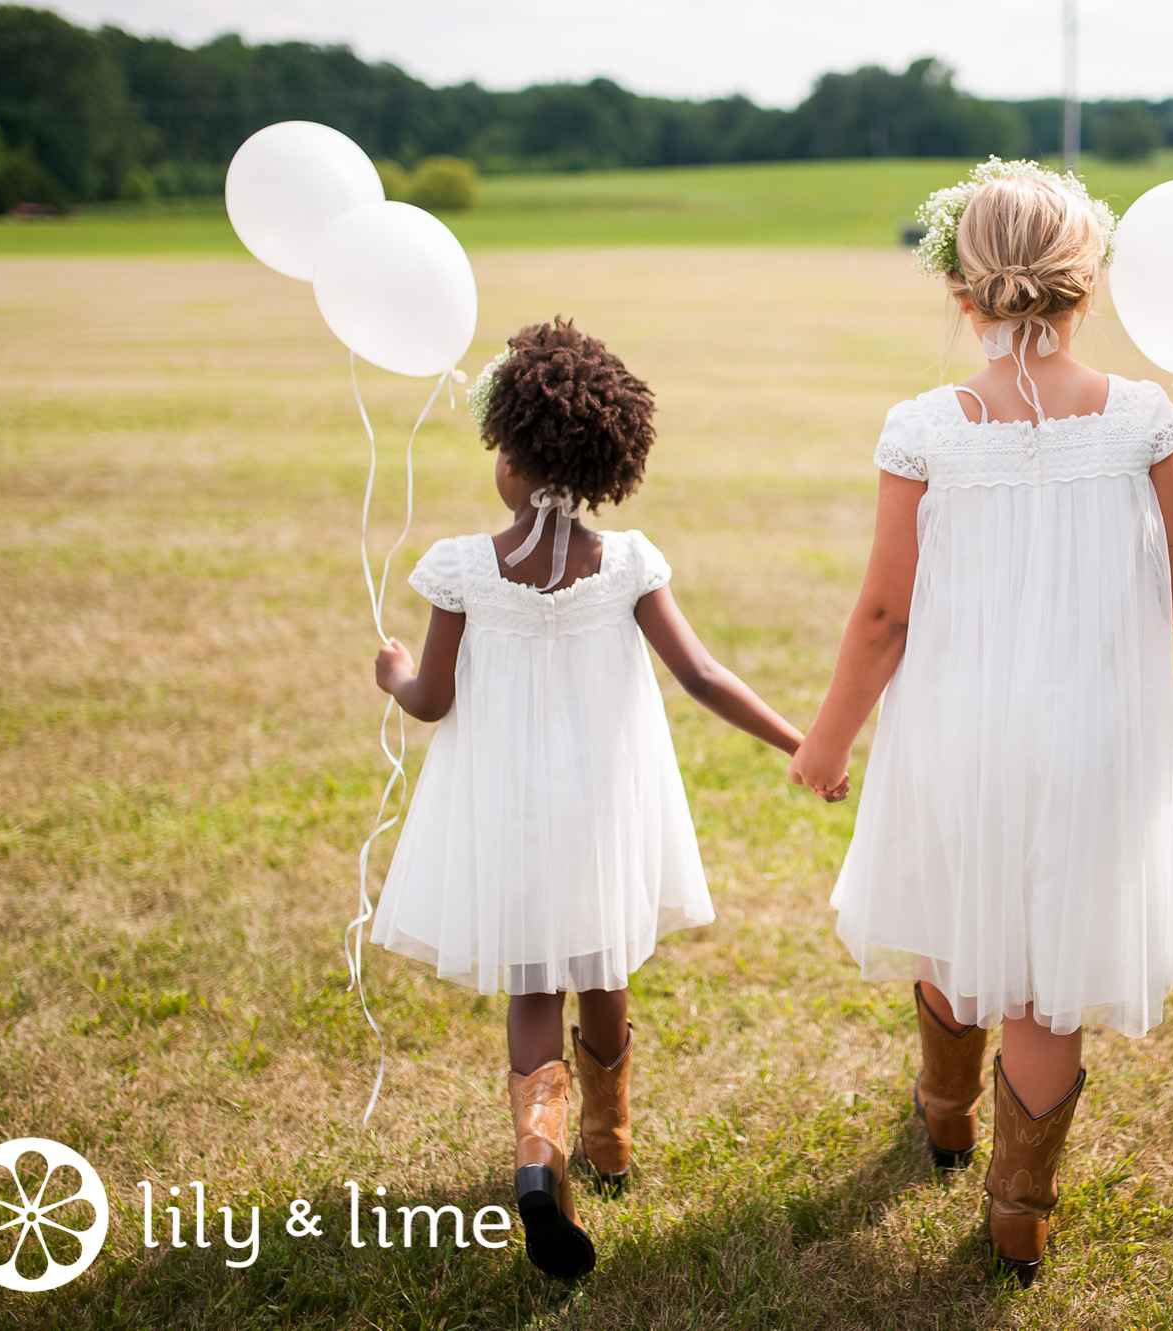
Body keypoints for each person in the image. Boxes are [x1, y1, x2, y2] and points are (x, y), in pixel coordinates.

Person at [789, 159, 1173, 1286]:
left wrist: (827, 739)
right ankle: (1019, 1210)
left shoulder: (922, 430)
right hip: (1096, 736)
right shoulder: (1142, 420)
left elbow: (880, 613)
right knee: (1045, 978)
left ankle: (946, 1107)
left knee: (964, 924)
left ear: (960, 289)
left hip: (960, 730)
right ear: (1085, 286)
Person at [371, 318, 843, 1280]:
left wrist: (389, 673)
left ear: (511, 456)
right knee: (606, 959)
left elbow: (432, 699)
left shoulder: (464, 567)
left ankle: (539, 1162)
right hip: (604, 813)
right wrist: (803, 742)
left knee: (533, 985)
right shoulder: (626, 562)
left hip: (509, 812)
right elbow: (703, 674)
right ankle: (612, 1133)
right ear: (603, 461)